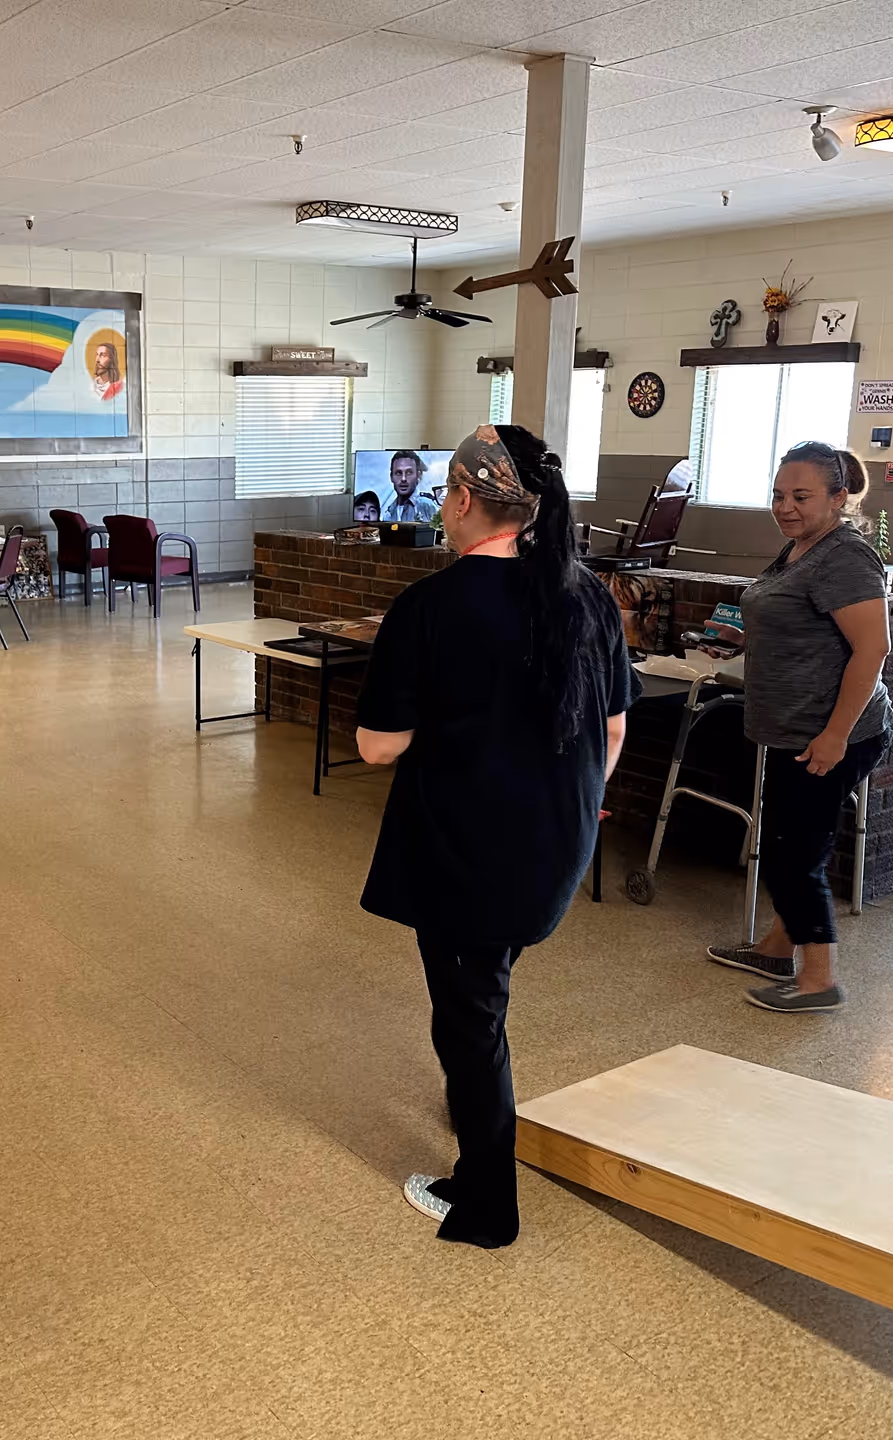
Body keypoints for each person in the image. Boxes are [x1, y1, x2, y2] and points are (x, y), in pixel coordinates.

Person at [355, 423, 635, 1249]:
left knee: (469, 1021)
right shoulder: (587, 596)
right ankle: (476, 1114)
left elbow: (378, 745)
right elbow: (613, 732)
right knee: (485, 992)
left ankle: (486, 1207)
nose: (443, 507)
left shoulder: (429, 608)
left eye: (446, 492)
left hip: (463, 853)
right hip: (555, 845)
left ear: (469, 499)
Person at [706, 440, 892, 1014]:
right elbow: (799, 619)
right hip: (790, 727)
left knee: (792, 858)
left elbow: (873, 648)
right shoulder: (801, 548)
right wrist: (743, 637)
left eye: (802, 496)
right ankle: (774, 948)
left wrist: (835, 735)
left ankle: (818, 980)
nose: (786, 506)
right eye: (779, 495)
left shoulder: (845, 557)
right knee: (791, 843)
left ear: (839, 498)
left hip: (829, 734)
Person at [383, 450, 438, 523]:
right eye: (398, 473)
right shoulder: (389, 513)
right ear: (391, 477)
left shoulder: (428, 506)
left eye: (409, 472)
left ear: (418, 475)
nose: (403, 479)